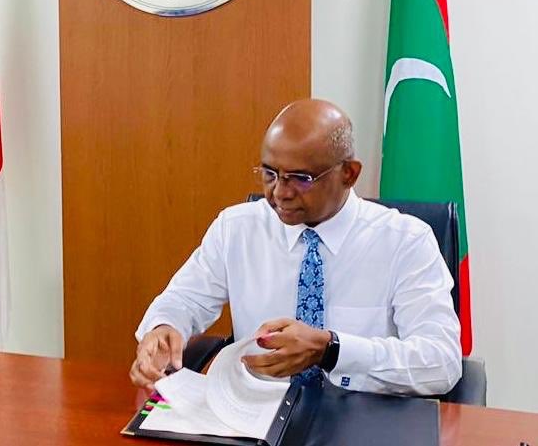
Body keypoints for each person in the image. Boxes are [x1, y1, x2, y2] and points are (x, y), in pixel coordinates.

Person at [130, 99, 461, 396]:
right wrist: (164, 328)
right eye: (270, 173)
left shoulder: (405, 241)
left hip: (365, 416)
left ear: (349, 174)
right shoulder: (237, 228)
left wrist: (332, 350)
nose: (279, 192)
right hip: (257, 413)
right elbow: (184, 300)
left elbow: (441, 363)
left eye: (301, 178)